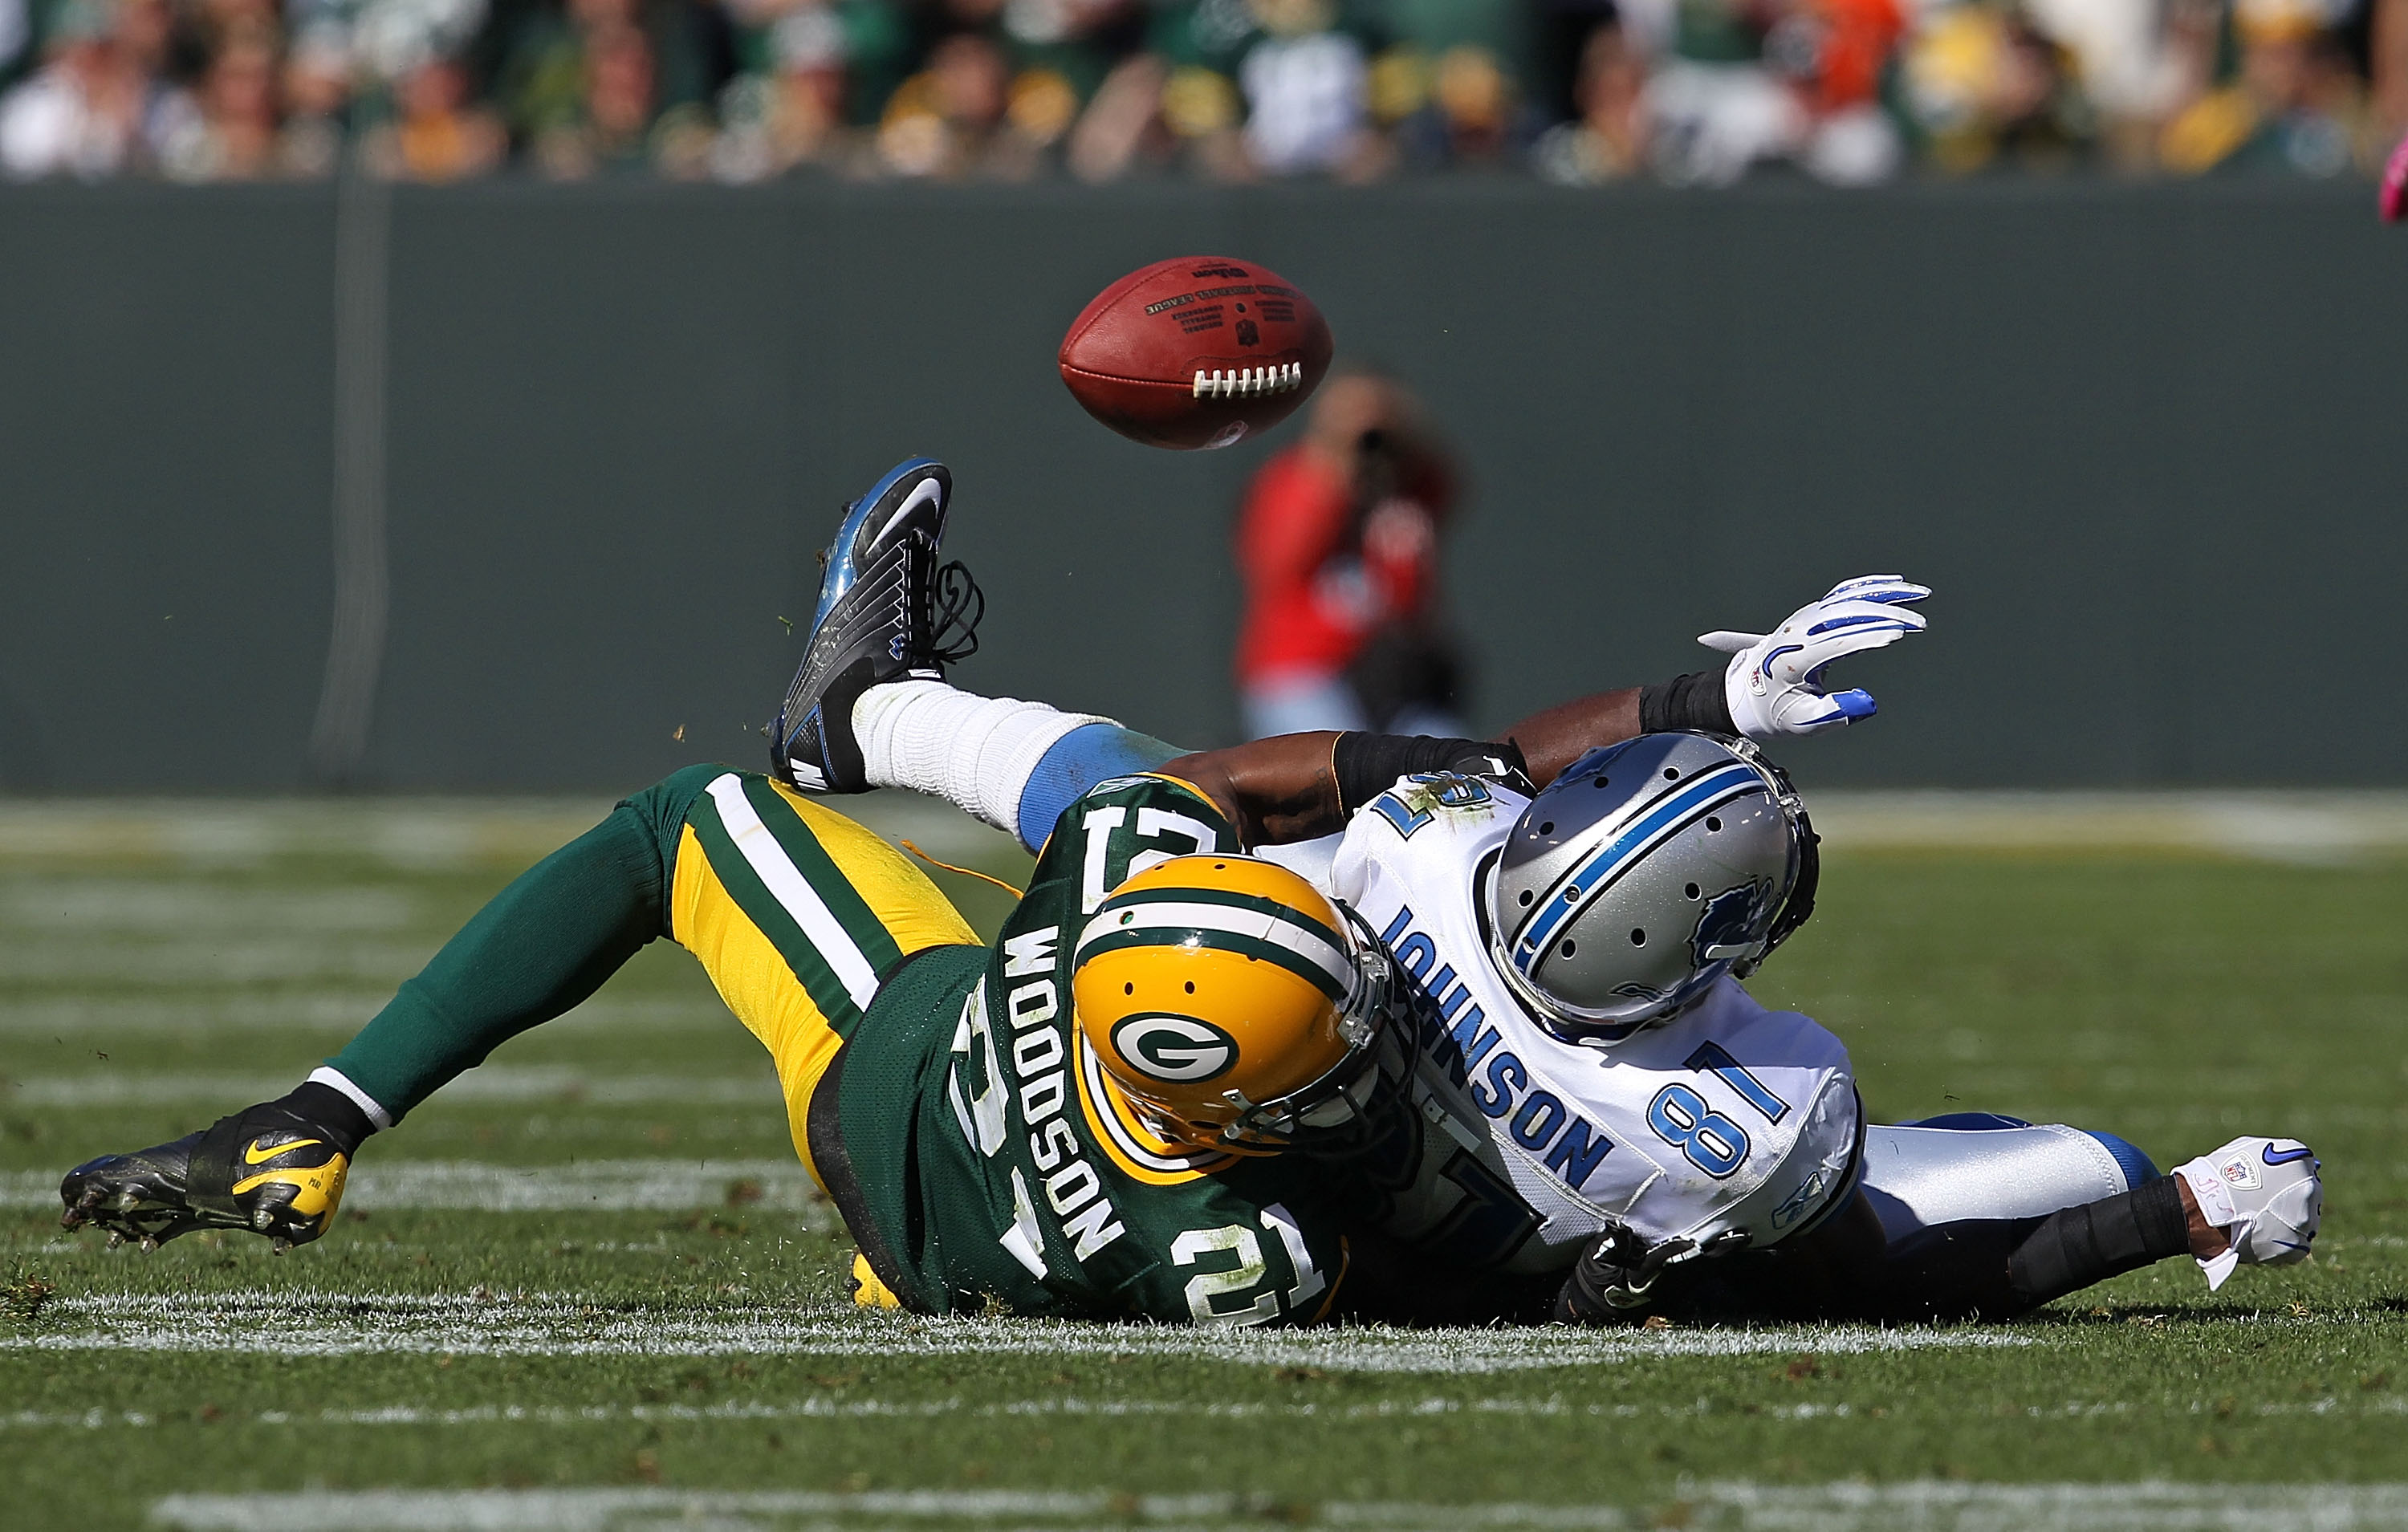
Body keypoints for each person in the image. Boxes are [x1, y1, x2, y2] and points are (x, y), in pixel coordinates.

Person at [769, 458, 2325, 1327]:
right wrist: (2170, 1210)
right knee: (2073, 1164)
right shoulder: (1737, 1126)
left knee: (1140, 792)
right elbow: (1887, 1276)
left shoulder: (1459, 863)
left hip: (1230, 1113)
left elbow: (1498, 758)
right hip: (1336, 1237)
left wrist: (1695, 704)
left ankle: (867, 719)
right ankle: (858, 724)